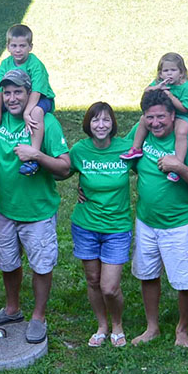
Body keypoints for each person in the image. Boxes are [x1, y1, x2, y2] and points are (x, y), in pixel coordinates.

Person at [0, 69, 71, 345]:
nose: (12, 98)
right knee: (7, 261)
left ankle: (39, 316)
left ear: (29, 94)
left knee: (41, 266)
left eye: (18, 92)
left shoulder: (46, 123)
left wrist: (37, 155)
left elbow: (65, 168)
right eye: (6, 92)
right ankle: (12, 309)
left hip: (38, 211)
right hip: (6, 209)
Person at [128, 88, 188, 347]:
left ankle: (182, 328)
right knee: (148, 274)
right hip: (146, 221)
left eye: (161, 117)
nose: (155, 123)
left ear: (173, 115)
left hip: (181, 224)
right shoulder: (140, 133)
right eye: (150, 117)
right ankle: (152, 327)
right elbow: (125, 161)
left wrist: (180, 167)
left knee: (185, 281)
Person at [67, 102, 133, 348]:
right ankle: (102, 325)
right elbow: (63, 171)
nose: (101, 125)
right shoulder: (79, 150)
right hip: (86, 225)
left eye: (106, 120)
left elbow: (146, 162)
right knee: (93, 279)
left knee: (109, 287)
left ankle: (118, 324)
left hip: (117, 227)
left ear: (113, 123)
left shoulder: (126, 149)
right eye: (96, 120)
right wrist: (78, 186)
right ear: (88, 124)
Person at [0, 24, 56, 176]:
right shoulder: (5, 64)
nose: (18, 50)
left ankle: (33, 156)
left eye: (22, 46)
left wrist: (26, 112)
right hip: (15, 95)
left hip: (41, 98)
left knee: (35, 113)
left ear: (30, 47)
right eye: (14, 46)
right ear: (8, 47)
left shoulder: (35, 64)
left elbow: (36, 91)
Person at [121, 53, 188, 182]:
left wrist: (170, 96)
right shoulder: (160, 82)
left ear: (181, 73)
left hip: (184, 116)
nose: (169, 74)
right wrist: (157, 87)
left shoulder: (186, 87)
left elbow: (184, 108)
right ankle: (136, 148)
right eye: (166, 70)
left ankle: (178, 165)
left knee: (181, 132)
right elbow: (146, 91)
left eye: (173, 70)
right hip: (167, 114)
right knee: (143, 120)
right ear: (160, 73)